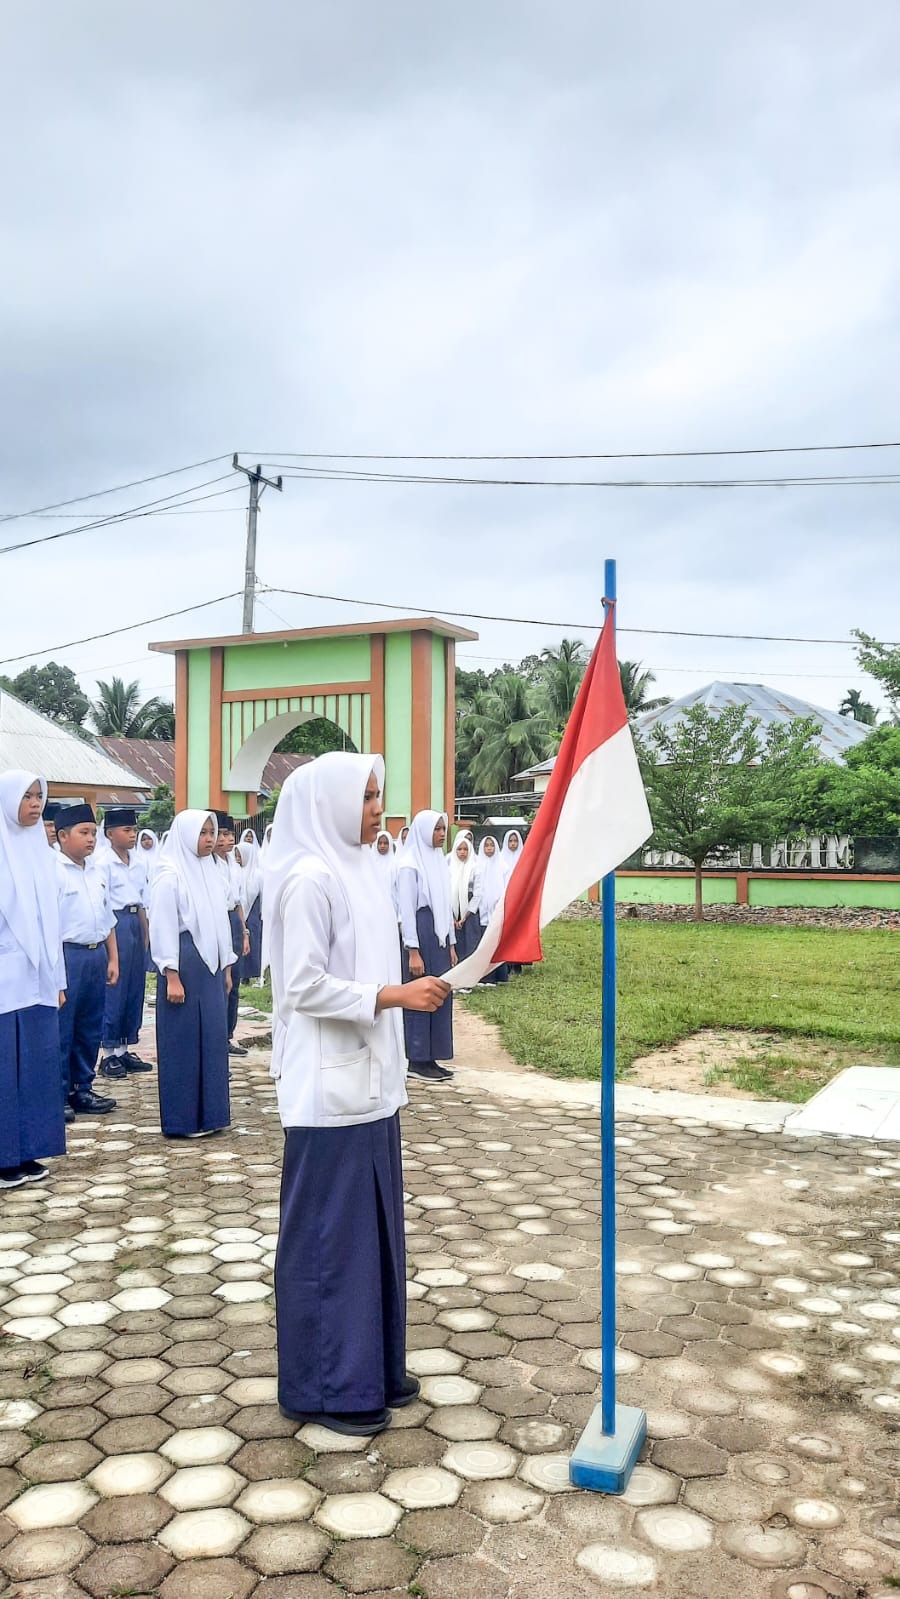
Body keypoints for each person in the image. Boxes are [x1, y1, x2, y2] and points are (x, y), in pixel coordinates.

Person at [264, 753, 450, 1435]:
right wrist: (394, 996)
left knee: (372, 1236)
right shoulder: (309, 880)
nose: (377, 808)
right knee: (328, 1242)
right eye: (366, 796)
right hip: (327, 1087)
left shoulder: (364, 868)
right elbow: (302, 986)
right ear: (330, 803)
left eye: (379, 794)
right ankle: (328, 1388)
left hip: (372, 1082)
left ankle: (372, 1367)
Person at [150, 811, 235, 1138]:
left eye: (212, 832)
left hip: (211, 966)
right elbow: (162, 927)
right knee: (183, 1041)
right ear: (185, 835)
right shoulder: (169, 875)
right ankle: (183, 1119)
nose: (210, 839)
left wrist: (226, 967)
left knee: (212, 1039)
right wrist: (171, 974)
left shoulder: (210, 870)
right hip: (184, 963)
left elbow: (221, 923)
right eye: (203, 833)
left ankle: (212, 1115)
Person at [0, 771, 67, 1189]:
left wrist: (57, 979)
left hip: (38, 977)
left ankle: (28, 1149)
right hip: (5, 981)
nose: (35, 803)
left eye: (39, 796)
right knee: (5, 1069)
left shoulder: (41, 852)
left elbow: (51, 921)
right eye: (26, 796)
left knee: (35, 1066)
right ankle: (3, 1157)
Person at [55, 805, 119, 1120]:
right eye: (84, 832)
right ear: (62, 836)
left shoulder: (97, 870)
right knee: (62, 1028)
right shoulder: (52, 871)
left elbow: (107, 918)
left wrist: (113, 958)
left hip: (95, 954)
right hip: (67, 956)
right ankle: (59, 1094)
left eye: (93, 833)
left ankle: (83, 1087)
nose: (91, 839)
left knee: (90, 1026)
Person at [397, 810, 456, 1082]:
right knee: (420, 994)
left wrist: (451, 945)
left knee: (440, 993)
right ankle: (417, 1059)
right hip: (420, 935)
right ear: (422, 831)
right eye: (437, 829)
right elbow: (407, 910)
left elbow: (446, 905)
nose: (442, 834)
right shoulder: (409, 864)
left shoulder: (438, 861)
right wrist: (413, 950)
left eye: (443, 829)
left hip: (439, 937)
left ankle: (433, 1056)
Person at [96, 807, 152, 1080]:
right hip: (114, 923)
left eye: (134, 830)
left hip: (134, 922)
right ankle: (108, 1053)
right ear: (110, 834)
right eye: (127, 830)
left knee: (134, 987)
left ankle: (124, 1048)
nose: (132, 835)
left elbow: (142, 902)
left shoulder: (138, 862)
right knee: (114, 988)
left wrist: (146, 935)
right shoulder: (103, 863)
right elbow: (103, 905)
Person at [213, 813, 251, 1054]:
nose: (228, 840)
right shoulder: (208, 865)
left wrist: (245, 932)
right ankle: (215, 1036)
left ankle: (227, 1034)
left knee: (234, 980)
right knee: (220, 981)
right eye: (223, 834)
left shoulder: (234, 865)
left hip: (233, 921)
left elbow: (239, 903)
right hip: (217, 920)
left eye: (230, 835)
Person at [473, 835, 509, 985]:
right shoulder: (477, 866)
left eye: (491, 845)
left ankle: (499, 976)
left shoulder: (503, 866)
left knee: (496, 944)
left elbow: (506, 888)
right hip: (481, 911)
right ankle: (484, 977)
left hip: (497, 910)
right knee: (482, 945)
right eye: (486, 845)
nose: (489, 848)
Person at [237, 828, 263, 984]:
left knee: (253, 942)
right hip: (240, 913)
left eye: (240, 855)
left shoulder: (258, 874)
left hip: (254, 912)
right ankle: (242, 974)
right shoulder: (236, 872)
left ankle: (253, 973)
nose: (237, 858)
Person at [449, 834, 479, 963]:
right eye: (459, 849)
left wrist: (464, 917)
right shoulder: (449, 868)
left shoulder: (475, 867)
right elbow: (446, 892)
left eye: (465, 849)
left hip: (470, 912)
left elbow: (478, 893)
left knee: (471, 944)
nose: (462, 852)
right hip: (452, 912)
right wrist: (453, 917)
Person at [372, 828, 399, 918]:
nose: (382, 846)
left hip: (391, 905)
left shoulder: (395, 864)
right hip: (374, 905)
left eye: (385, 843)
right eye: (380, 843)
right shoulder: (370, 864)